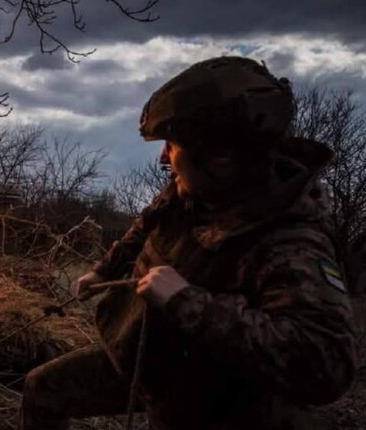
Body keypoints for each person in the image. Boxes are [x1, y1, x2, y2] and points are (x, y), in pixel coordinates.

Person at [18, 56, 357, 430]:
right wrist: (105, 270)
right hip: (150, 363)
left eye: (173, 145)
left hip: (220, 401)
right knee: (42, 390)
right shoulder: (193, 191)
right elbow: (144, 227)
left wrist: (186, 301)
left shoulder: (290, 241)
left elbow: (327, 365)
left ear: (221, 158)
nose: (164, 158)